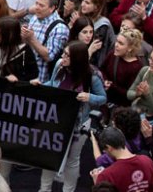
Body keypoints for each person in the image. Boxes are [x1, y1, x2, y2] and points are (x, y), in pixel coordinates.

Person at [35, 41, 106, 192]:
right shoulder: (60, 65)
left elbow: (103, 98)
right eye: (64, 53)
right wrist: (40, 85)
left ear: (77, 58)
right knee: (49, 156)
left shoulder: (92, 76)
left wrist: (89, 97)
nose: (63, 56)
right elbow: (53, 83)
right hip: (56, 120)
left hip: (78, 124)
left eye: (67, 55)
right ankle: (44, 189)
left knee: (72, 161)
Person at [91, 126, 153, 190]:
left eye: (105, 150)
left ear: (109, 147)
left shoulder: (105, 176)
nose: (105, 152)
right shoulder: (147, 161)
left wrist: (98, 185)